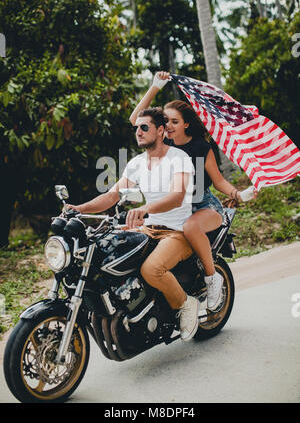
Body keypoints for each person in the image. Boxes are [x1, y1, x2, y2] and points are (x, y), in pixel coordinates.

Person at [67, 107, 201, 342]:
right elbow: (111, 196)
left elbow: (177, 196)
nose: (138, 131)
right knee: (109, 255)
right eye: (136, 128)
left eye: (144, 127)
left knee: (152, 269)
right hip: (148, 229)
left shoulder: (178, 158)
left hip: (178, 231)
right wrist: (79, 209)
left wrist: (144, 209)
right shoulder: (137, 163)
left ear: (160, 130)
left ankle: (186, 304)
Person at [129, 71, 258, 311]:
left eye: (174, 122)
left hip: (203, 206)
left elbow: (218, 181)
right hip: (173, 210)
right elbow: (137, 118)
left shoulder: (200, 147)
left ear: (186, 124)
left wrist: (239, 194)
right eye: (165, 121)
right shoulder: (163, 144)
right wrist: (155, 87)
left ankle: (212, 279)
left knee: (190, 226)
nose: (167, 126)